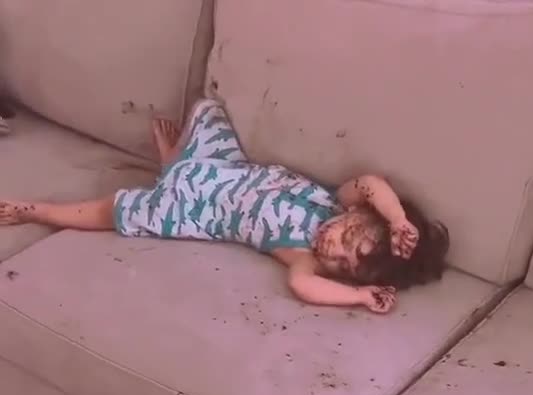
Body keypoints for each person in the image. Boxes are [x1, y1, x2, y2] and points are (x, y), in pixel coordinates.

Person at [0, 100, 449, 313]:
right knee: (209, 112)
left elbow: (304, 287)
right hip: (223, 167)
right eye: (348, 237)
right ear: (357, 215)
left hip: (197, 208)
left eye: (343, 265)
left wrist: (358, 296)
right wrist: (396, 219)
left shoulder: (302, 256)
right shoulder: (337, 199)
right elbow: (372, 183)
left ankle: (37, 210)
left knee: (115, 212)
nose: (333, 249)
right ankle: (174, 163)